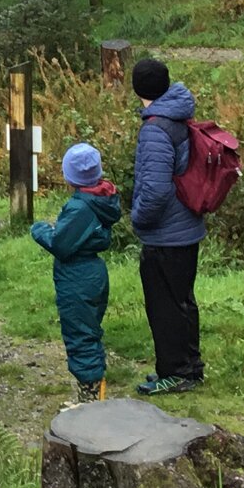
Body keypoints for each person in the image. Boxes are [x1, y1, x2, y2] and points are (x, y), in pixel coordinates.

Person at [129, 57, 207, 395]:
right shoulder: (179, 114)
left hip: (166, 234)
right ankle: (190, 367)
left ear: (137, 89)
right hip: (187, 226)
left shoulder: (155, 129)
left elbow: (157, 189)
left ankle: (174, 372)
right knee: (183, 301)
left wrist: (138, 218)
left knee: (165, 307)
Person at [34, 143, 121, 404]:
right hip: (92, 272)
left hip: (77, 277)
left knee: (80, 334)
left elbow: (61, 245)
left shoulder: (80, 207)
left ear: (69, 176)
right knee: (88, 330)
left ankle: (91, 401)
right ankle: (92, 395)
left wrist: (40, 230)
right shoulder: (100, 200)